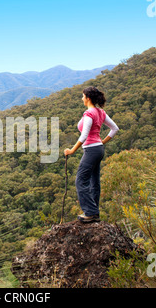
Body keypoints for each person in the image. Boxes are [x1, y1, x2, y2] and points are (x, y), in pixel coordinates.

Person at [64, 86, 119, 223]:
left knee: (80, 181)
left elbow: (84, 136)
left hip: (91, 150)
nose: (82, 99)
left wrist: (72, 150)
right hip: (98, 149)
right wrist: (101, 142)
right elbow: (114, 129)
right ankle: (94, 212)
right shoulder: (101, 112)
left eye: (83, 96)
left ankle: (90, 212)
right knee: (94, 182)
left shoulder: (89, 114)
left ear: (88, 98)